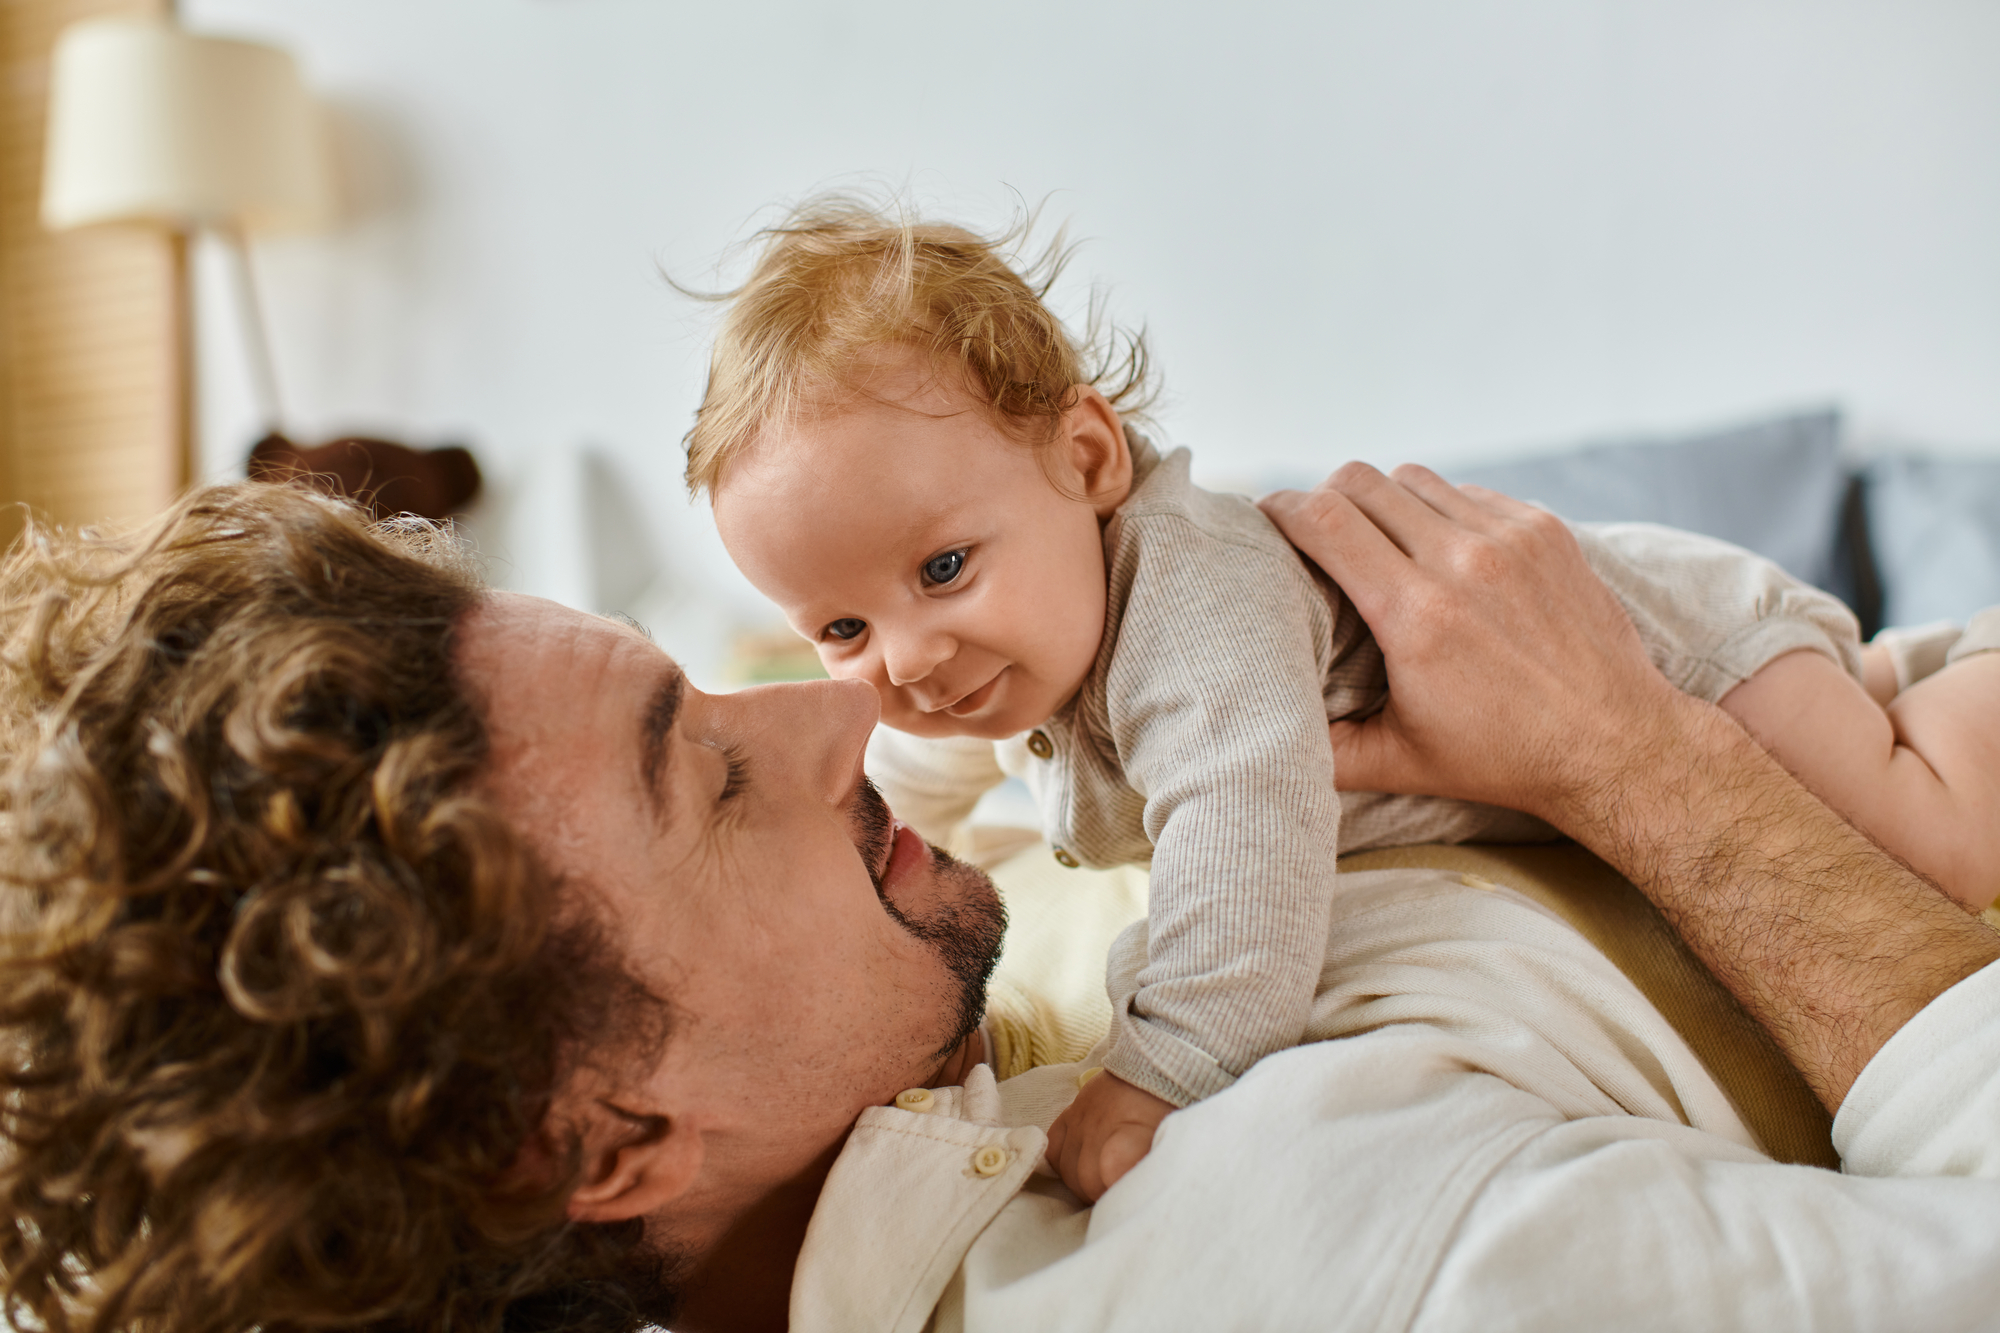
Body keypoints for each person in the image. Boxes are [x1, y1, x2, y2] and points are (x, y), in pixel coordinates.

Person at [4, 476, 2000, 1333]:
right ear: (583, 1133)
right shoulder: (1304, 1268)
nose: (827, 711)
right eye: (700, 771)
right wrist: (1631, 751)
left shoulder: (945, 1103)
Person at [688, 195, 2000, 1200]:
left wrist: (1159, 1070)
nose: (907, 658)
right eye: (844, 625)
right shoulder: (1028, 637)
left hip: (1682, 652)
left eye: (943, 567)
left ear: (1086, 457)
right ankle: (1895, 675)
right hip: (1662, 673)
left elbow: (1242, 845)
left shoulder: (1194, 611)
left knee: (1931, 828)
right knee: (1866, 714)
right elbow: (932, 776)